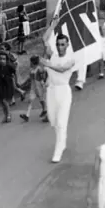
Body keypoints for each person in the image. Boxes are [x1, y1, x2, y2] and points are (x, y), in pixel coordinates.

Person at [41, 25, 76, 163]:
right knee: (53, 120)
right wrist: (53, 25)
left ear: (67, 45)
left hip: (64, 91)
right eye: (58, 44)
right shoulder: (53, 55)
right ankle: (63, 140)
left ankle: (59, 149)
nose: (60, 47)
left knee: (61, 122)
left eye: (62, 44)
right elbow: (44, 39)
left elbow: (62, 69)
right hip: (51, 91)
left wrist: (47, 64)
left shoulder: (71, 58)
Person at [20, 55, 47, 122]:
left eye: (30, 62)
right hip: (33, 88)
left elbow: (43, 77)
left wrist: (44, 83)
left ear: (33, 62)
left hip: (39, 87)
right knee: (30, 101)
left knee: (42, 100)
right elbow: (30, 79)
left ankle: (45, 110)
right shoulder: (31, 70)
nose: (30, 63)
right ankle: (27, 115)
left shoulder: (39, 69)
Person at [0, 52, 17, 123]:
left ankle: (9, 114)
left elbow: (14, 75)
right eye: (0, 59)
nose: (2, 60)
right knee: (2, 102)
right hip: (1, 85)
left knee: (5, 101)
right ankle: (5, 116)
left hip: (8, 85)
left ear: (6, 60)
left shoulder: (9, 67)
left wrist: (15, 83)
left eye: (4, 59)